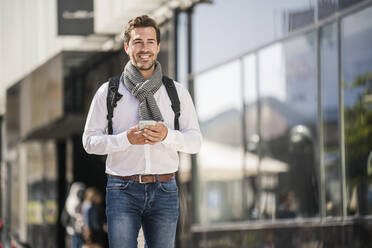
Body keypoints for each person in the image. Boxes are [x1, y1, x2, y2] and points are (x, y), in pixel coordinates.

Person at [82, 15, 202, 248]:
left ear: (158, 46)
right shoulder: (108, 92)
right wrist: (124, 139)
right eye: (138, 41)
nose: (144, 48)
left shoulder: (176, 92)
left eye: (150, 41)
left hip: (165, 189)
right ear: (127, 47)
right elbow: (89, 141)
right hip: (122, 190)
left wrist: (167, 135)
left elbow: (195, 142)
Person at [61, 182, 86, 248]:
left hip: (78, 230)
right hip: (72, 229)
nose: (81, 194)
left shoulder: (78, 202)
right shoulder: (72, 201)